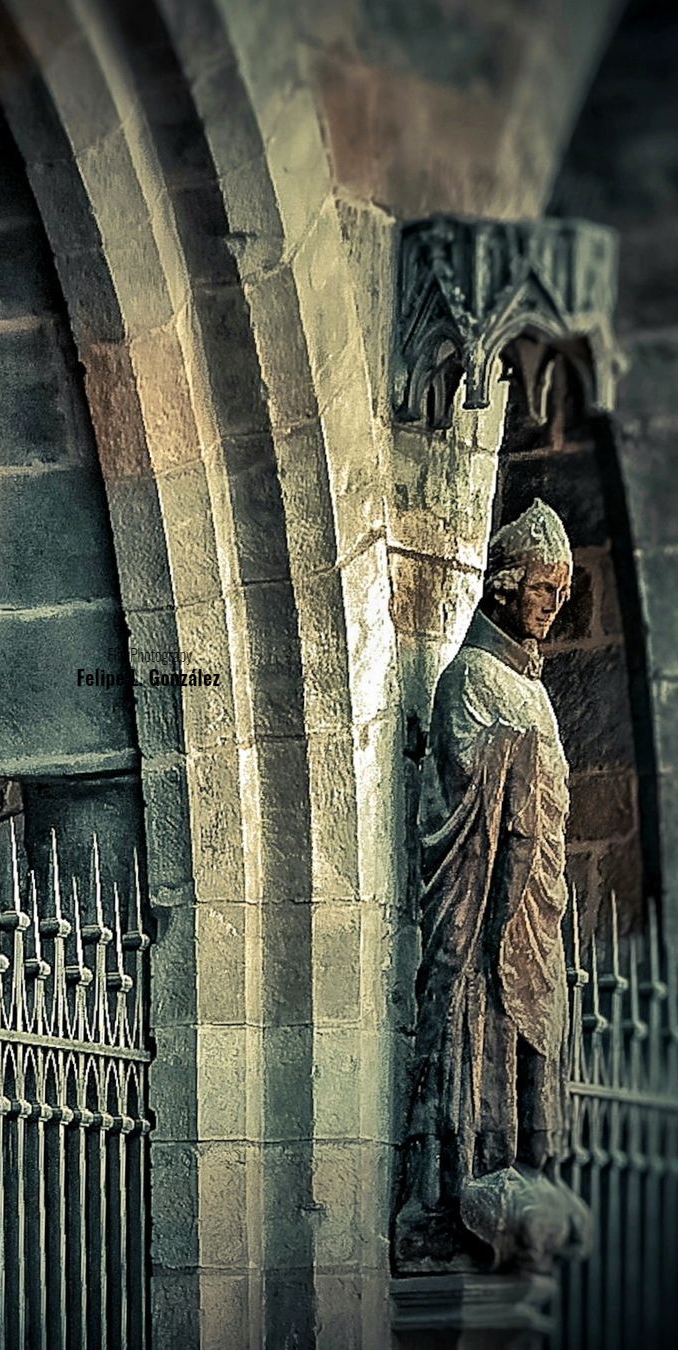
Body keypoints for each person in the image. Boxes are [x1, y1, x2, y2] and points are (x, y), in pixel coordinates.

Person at [396, 498, 590, 1271]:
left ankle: (524, 1171)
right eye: (544, 589)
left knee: (529, 1035)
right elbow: (462, 792)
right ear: (507, 587)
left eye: (562, 596)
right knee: (477, 1022)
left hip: (534, 905)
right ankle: (457, 1183)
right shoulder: (472, 677)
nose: (552, 608)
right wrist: (515, 762)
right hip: (482, 906)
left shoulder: (536, 690)